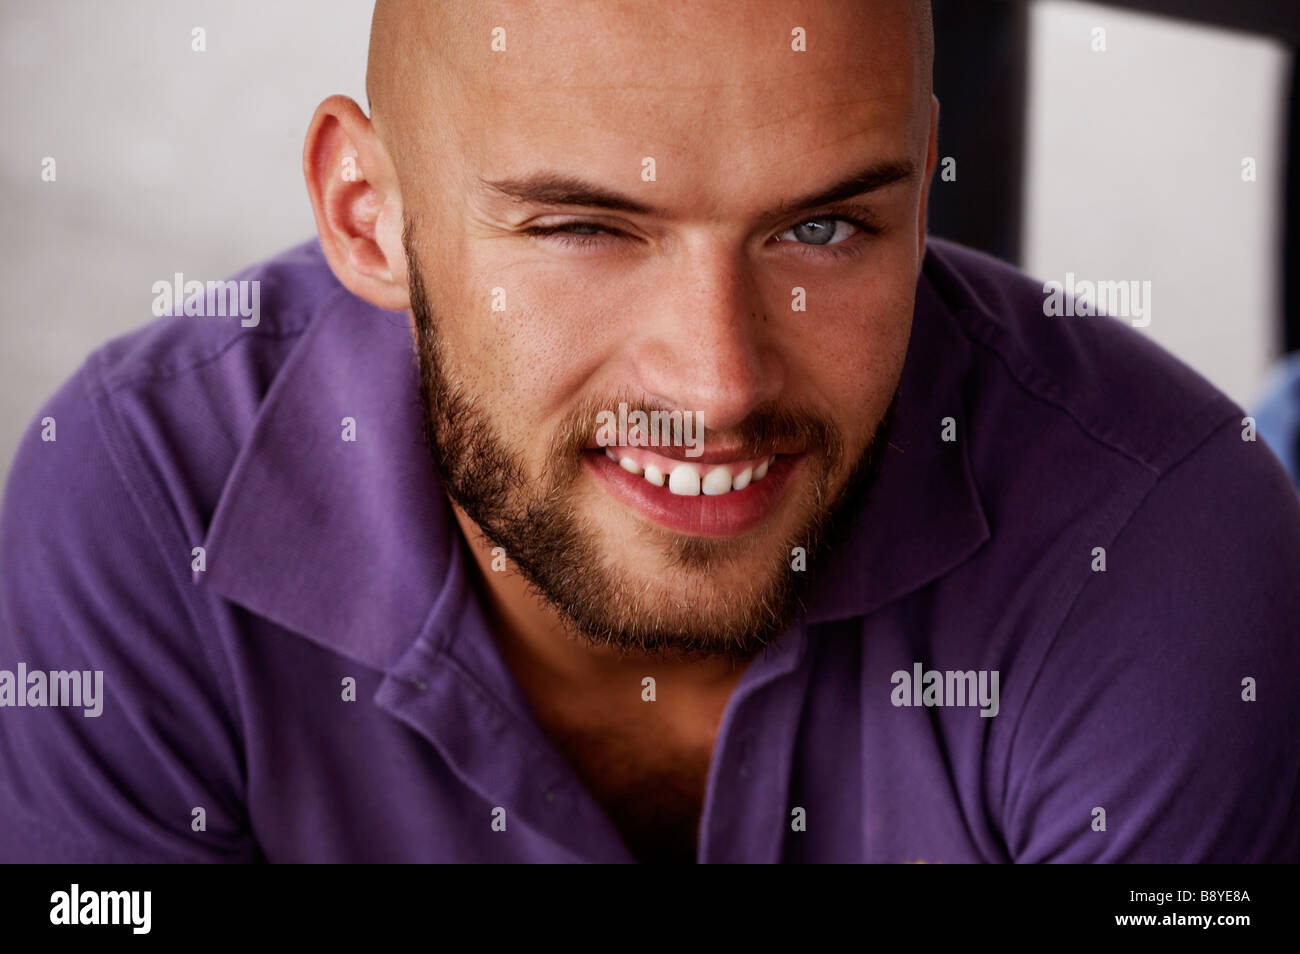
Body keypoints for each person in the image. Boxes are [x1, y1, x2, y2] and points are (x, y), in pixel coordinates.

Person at [1, 0, 1297, 863]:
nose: (720, 379)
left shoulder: (1161, 550)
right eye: (585, 230)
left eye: (824, 226)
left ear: (920, 175)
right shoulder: (141, 508)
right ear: (367, 215)